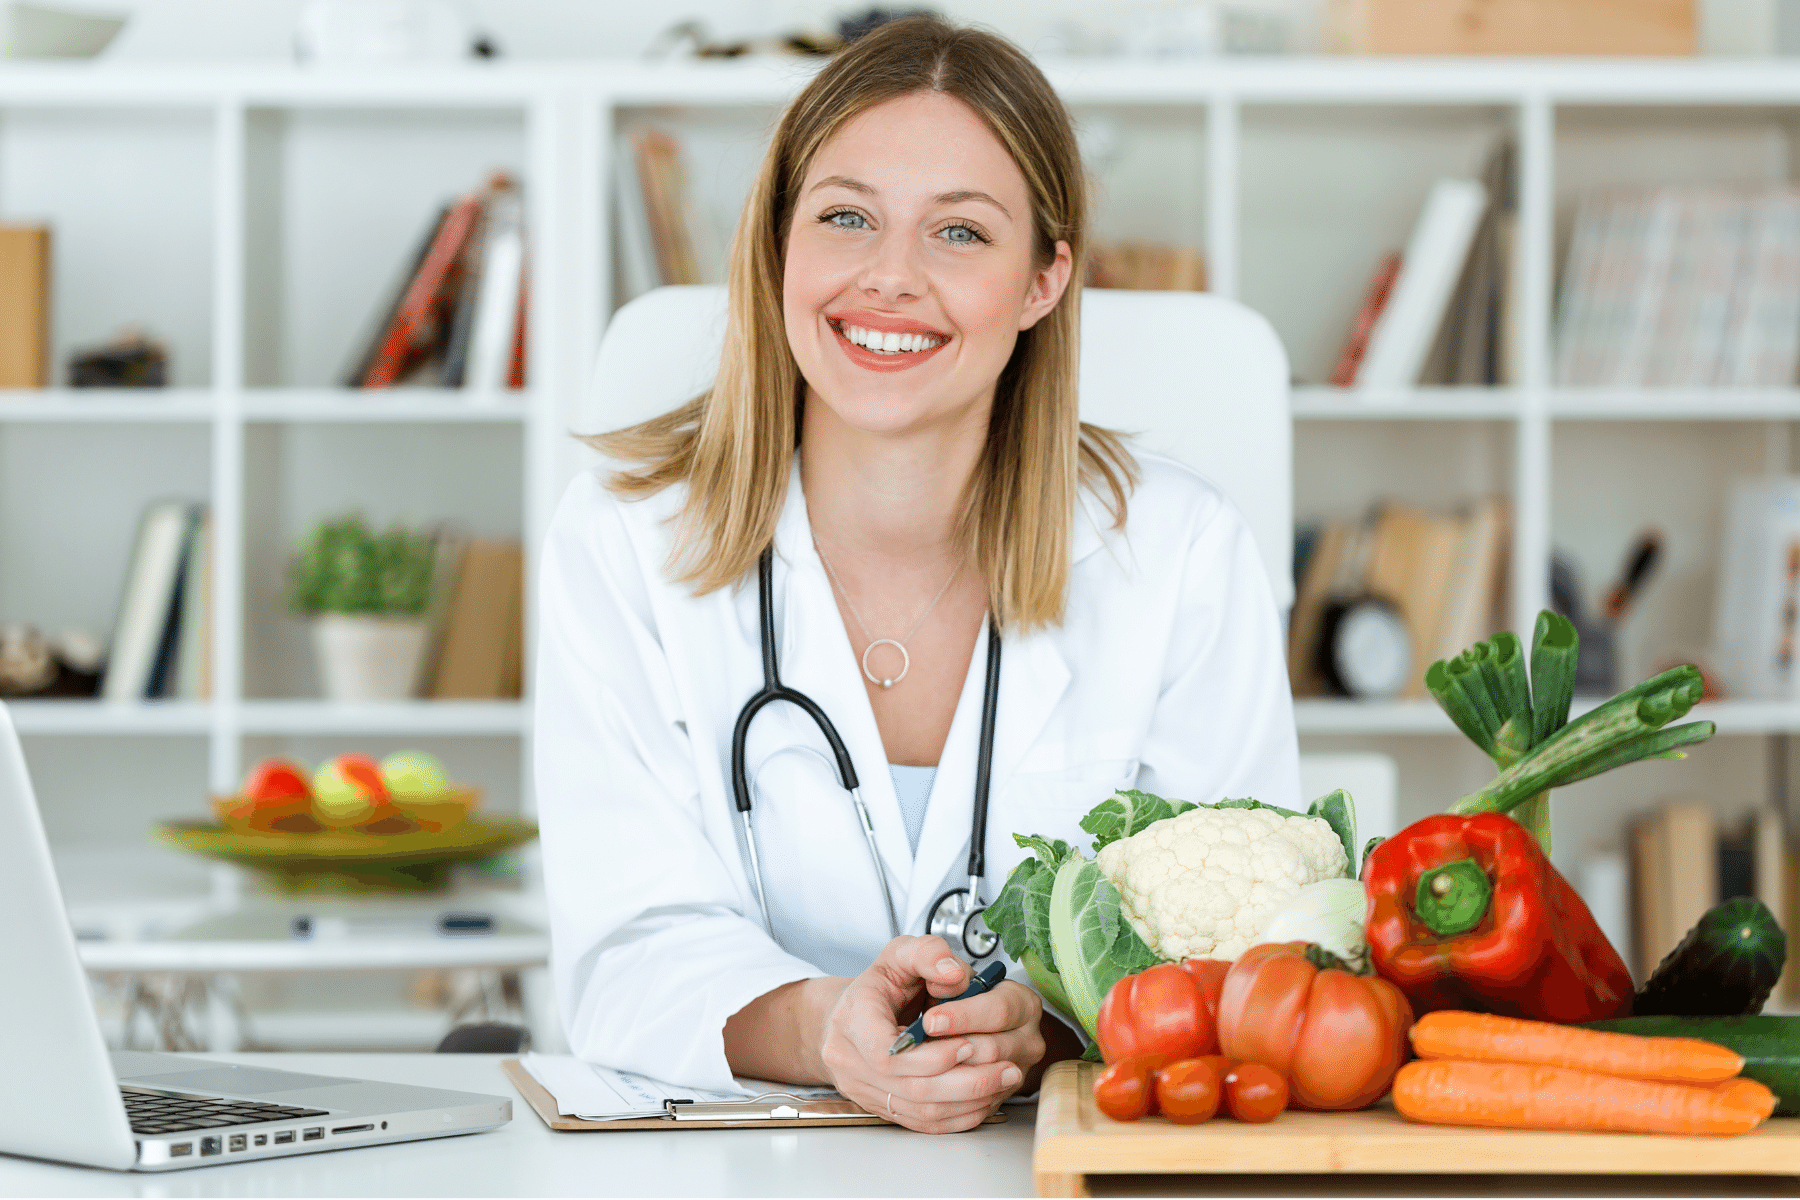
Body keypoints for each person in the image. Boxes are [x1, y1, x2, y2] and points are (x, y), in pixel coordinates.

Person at [534, 16, 1299, 1134]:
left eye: (959, 233)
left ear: (1044, 279)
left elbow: (1239, 945)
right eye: (846, 217)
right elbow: (623, 948)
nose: (890, 278)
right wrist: (825, 1025)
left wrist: (1042, 1028)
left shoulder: (1178, 554)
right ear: (777, 248)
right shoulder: (625, 537)